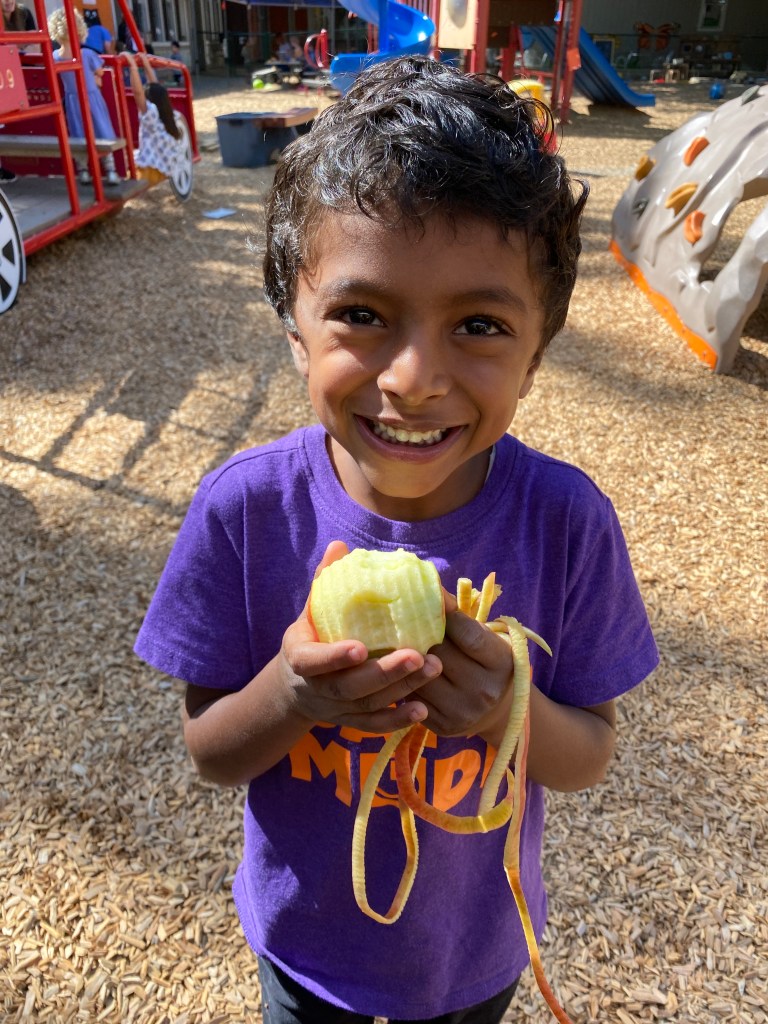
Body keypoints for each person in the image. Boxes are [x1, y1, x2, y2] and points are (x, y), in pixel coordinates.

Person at [134, 57, 659, 1024]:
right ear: (295, 329)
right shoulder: (246, 511)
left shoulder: (566, 523)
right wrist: (291, 692)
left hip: (473, 956)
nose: (413, 378)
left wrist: (507, 710)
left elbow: (588, 755)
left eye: (480, 324)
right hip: (305, 953)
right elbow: (211, 750)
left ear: (537, 354)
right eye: (363, 315)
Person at [47, 8, 120, 186]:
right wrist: (95, 77)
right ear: (79, 31)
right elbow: (100, 72)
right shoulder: (86, 54)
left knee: (78, 132)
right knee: (101, 129)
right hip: (91, 98)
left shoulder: (55, 57)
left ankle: (84, 170)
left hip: (72, 101)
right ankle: (110, 170)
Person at [123, 50, 182, 185]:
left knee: (126, 166)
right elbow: (156, 87)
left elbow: (138, 93)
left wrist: (133, 67)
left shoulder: (151, 115)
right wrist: (146, 65)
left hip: (149, 171)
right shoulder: (168, 114)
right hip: (163, 169)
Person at [1, 0, 37, 181]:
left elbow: (34, 42)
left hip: (21, 70)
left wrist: (13, 44)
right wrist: (20, 43)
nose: (8, 1)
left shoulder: (23, 13)